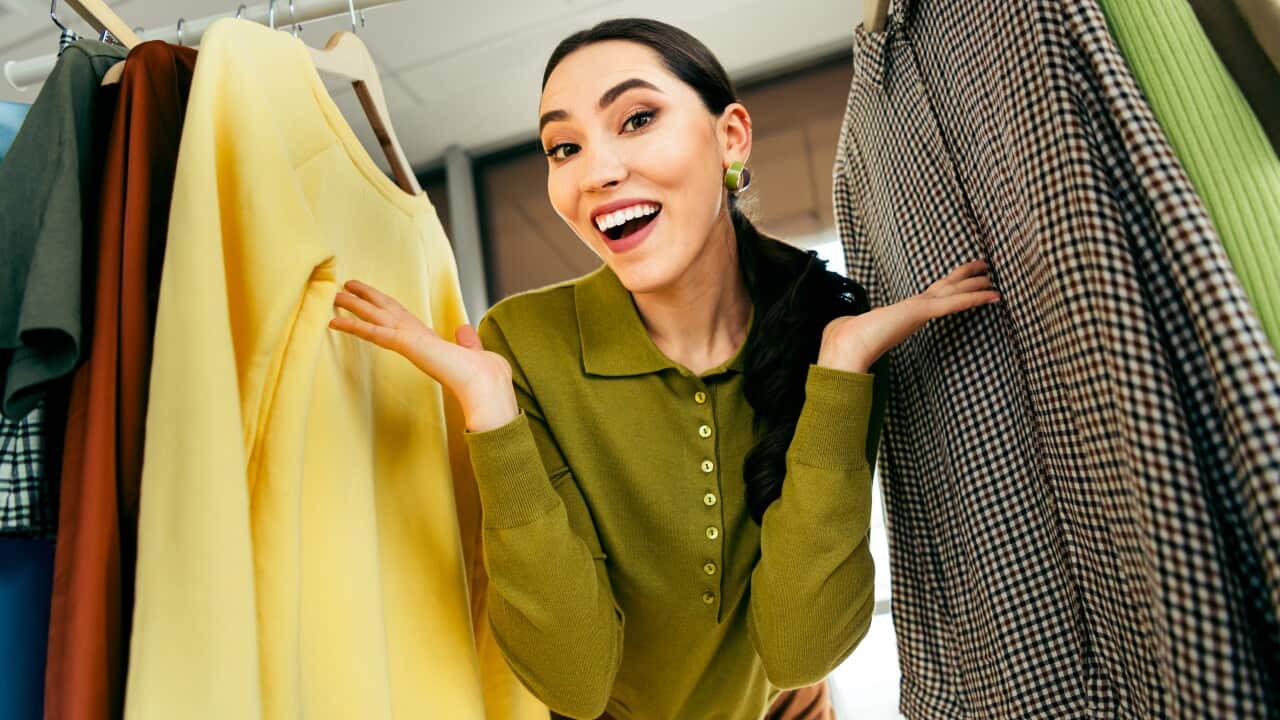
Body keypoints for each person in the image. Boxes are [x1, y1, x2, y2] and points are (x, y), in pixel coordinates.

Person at [329, 18, 998, 720]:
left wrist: (839, 372)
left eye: (637, 118)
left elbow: (801, 651)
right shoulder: (520, 344)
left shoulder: (829, 333)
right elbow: (576, 682)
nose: (597, 172)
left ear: (730, 137)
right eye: (564, 147)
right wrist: (493, 415)